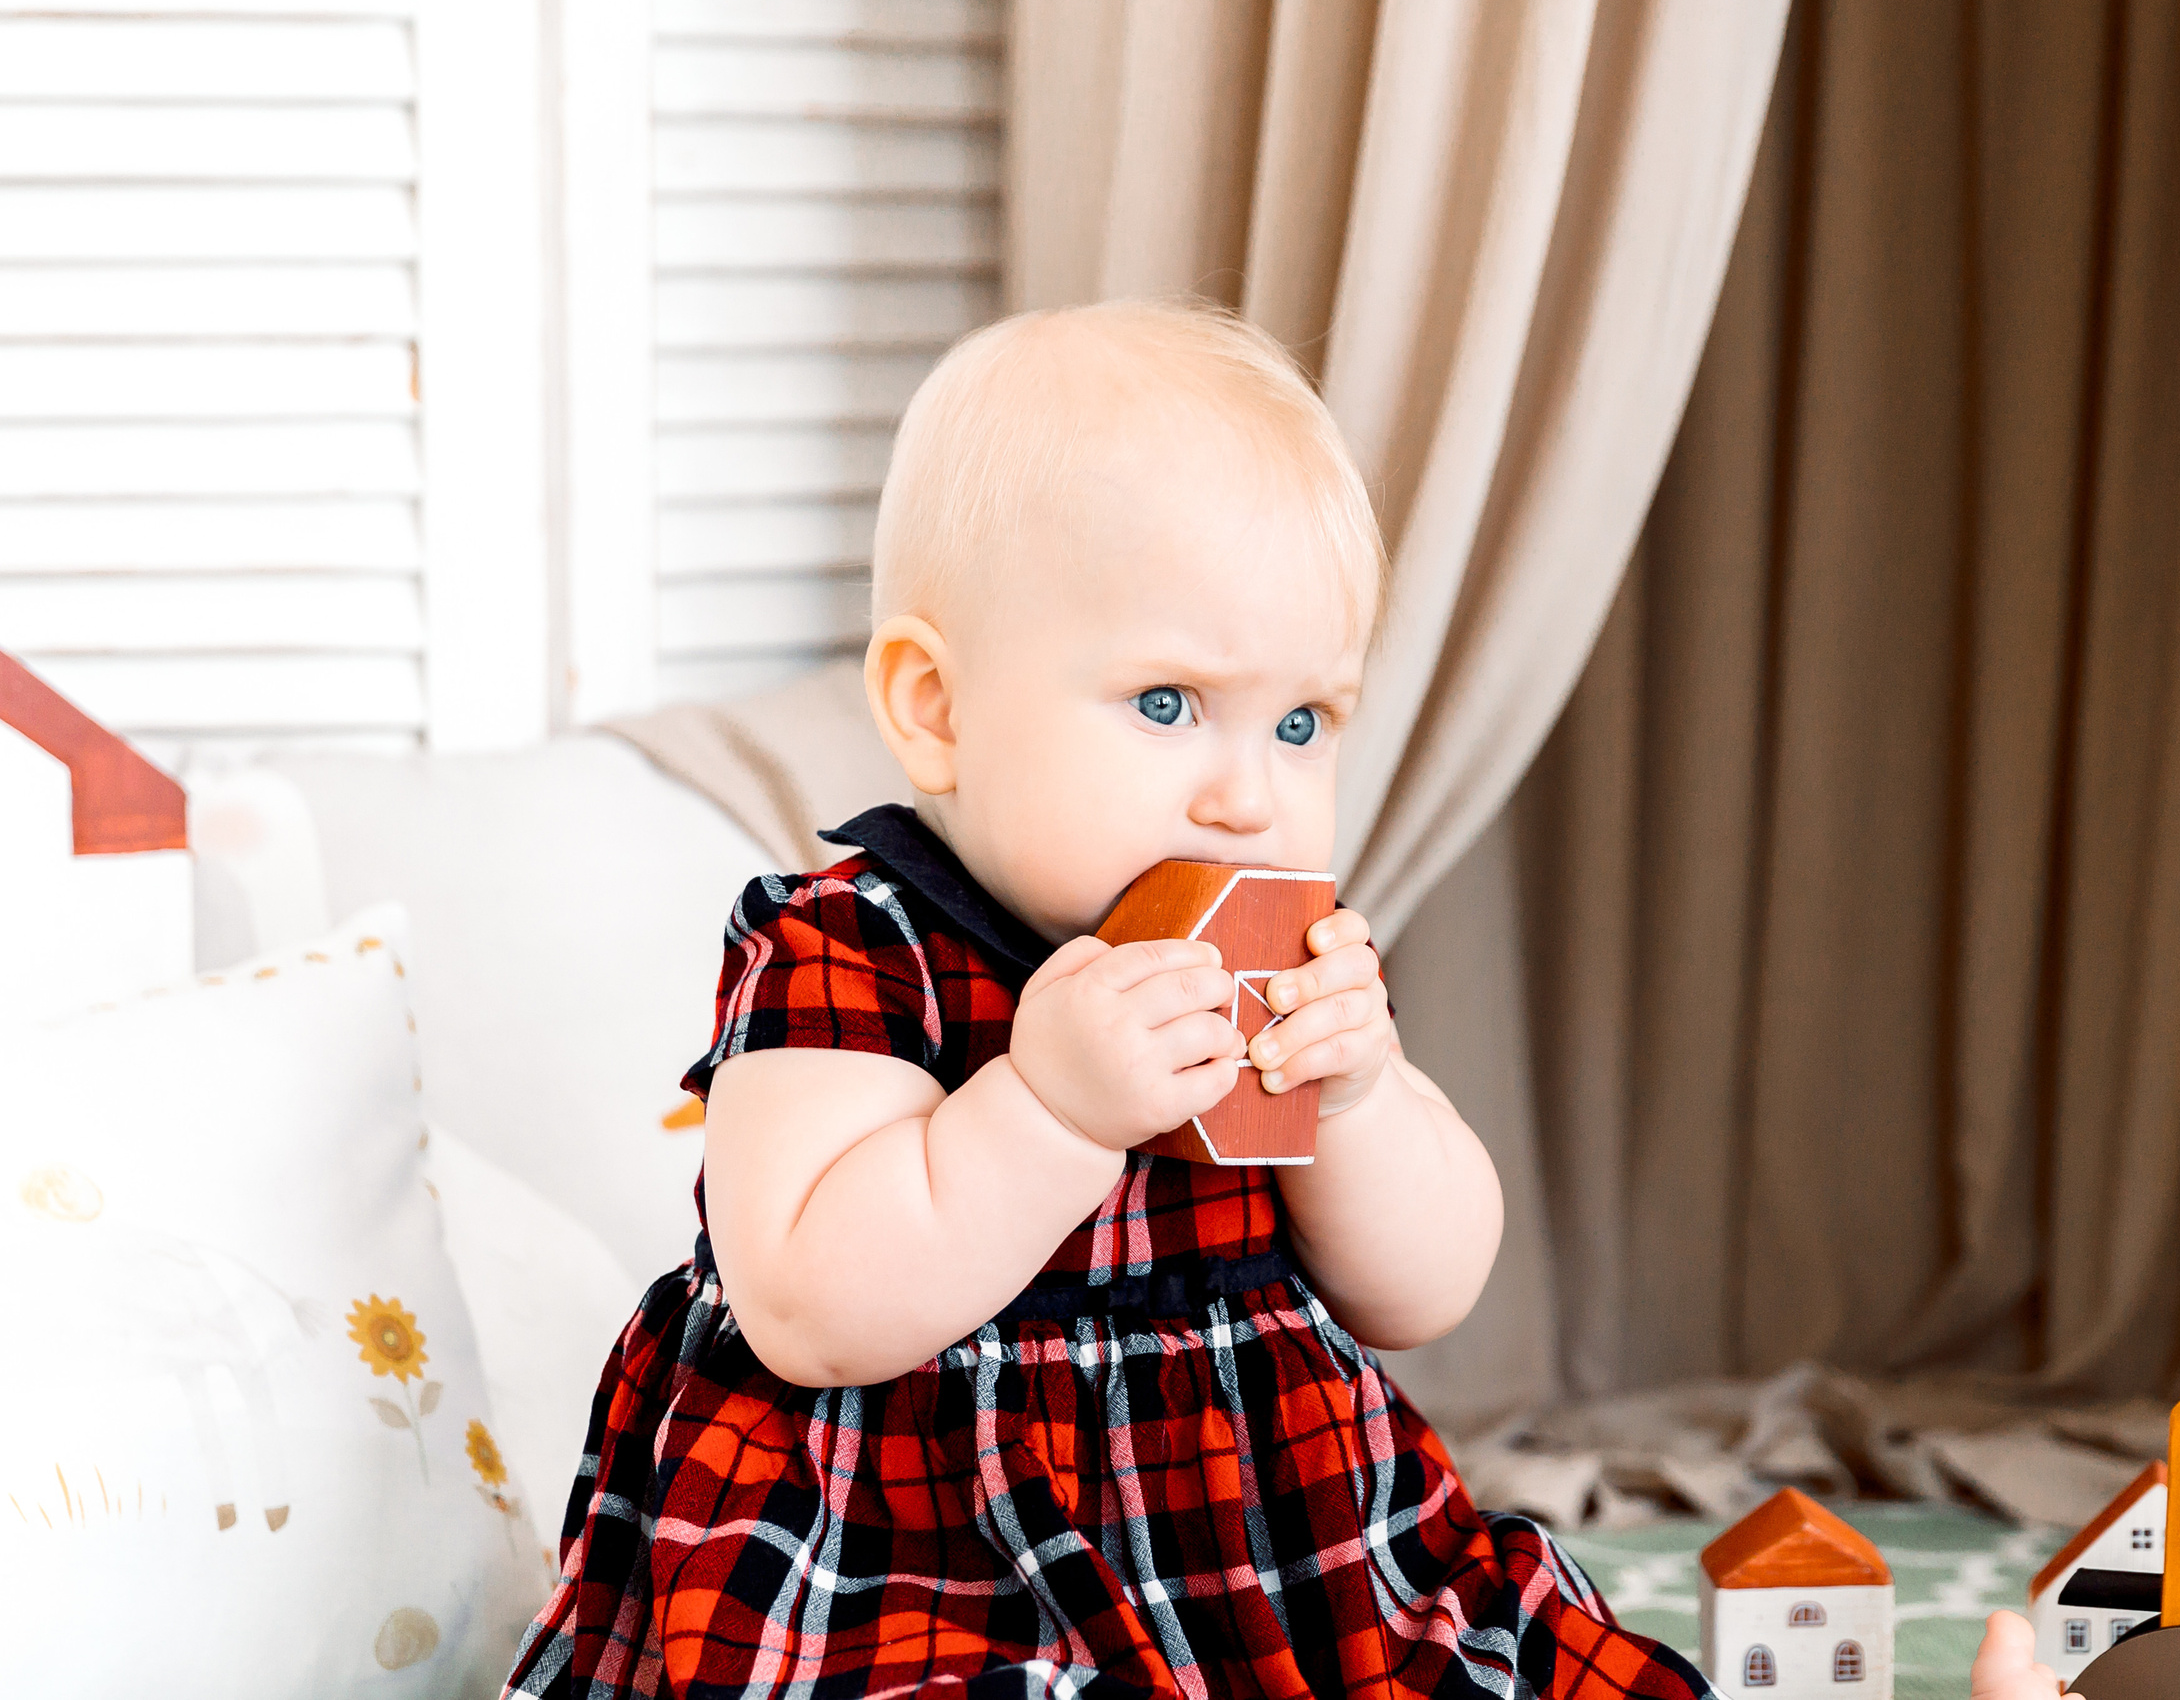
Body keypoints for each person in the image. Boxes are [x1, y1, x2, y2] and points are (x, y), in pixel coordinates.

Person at [505, 299, 1712, 1699]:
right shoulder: (849, 943)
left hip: (1271, 1553)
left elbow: (1424, 1288)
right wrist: (1049, 1108)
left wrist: (1365, 1099)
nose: (1248, 794)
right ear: (939, 710)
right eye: (1167, 703)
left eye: (1303, 721)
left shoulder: (1277, 959)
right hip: (924, 1553)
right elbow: (809, 1306)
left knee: (1512, 1666)